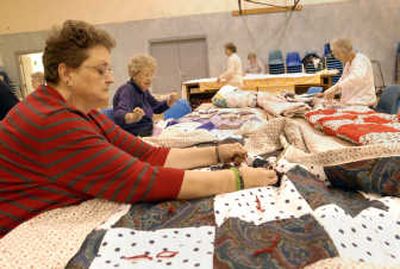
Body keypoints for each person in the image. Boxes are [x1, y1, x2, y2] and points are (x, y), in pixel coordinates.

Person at [0, 20, 277, 237]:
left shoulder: (81, 113)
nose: (110, 78)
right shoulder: (54, 122)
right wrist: (239, 179)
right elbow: (145, 180)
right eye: (101, 70)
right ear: (66, 73)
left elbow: (149, 155)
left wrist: (218, 152)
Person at [113, 54, 178, 137]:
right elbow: (119, 114)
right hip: (135, 136)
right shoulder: (127, 90)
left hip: (148, 131)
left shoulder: (144, 91)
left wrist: (169, 101)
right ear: (135, 75)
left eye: (151, 75)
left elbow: (156, 107)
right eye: (146, 75)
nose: (149, 79)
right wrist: (133, 117)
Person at [323, 38, 377, 107]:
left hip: (363, 104)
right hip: (352, 103)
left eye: (338, 54)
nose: (337, 57)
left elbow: (356, 77)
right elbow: (343, 80)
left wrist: (336, 88)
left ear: (344, 52)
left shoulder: (361, 60)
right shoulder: (348, 63)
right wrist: (332, 90)